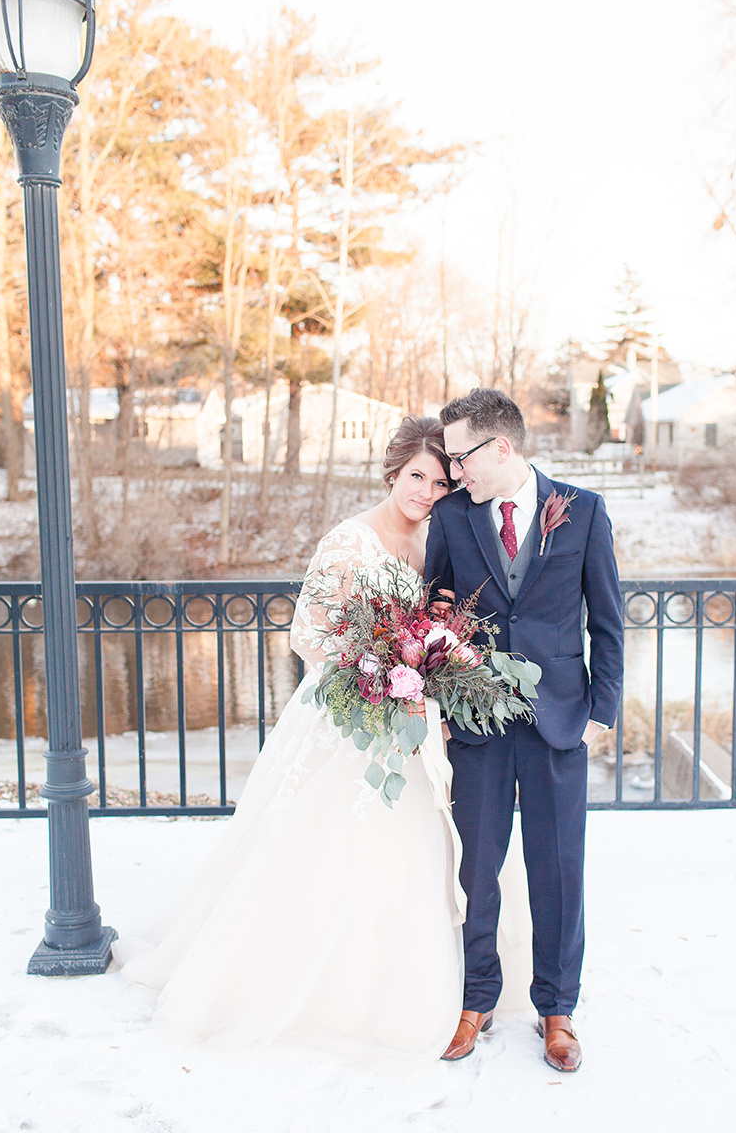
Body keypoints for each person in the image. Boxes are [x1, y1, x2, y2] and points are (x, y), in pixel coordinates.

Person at [113, 416, 466, 1064]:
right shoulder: (348, 541)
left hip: (411, 720)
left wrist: (423, 673)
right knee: (322, 845)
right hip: (346, 713)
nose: (425, 491)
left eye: (441, 482)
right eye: (417, 476)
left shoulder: (437, 540)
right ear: (393, 471)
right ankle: (296, 987)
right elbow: (308, 635)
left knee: (410, 849)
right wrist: (374, 670)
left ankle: (390, 984)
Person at [424, 388, 624, 1071]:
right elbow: (434, 613)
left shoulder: (584, 511)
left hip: (558, 720)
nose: (454, 475)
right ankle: (476, 1000)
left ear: (500, 446)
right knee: (476, 867)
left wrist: (601, 711)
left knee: (558, 870)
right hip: (476, 722)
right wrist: (439, 701)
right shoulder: (453, 517)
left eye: (460, 458)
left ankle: (557, 1009)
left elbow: (606, 623)